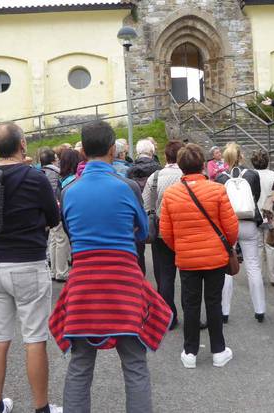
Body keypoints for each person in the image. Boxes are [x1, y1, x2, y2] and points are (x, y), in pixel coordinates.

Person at [50, 121, 172, 413]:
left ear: (83, 151)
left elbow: (69, 231)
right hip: (124, 282)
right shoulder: (127, 187)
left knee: (80, 364)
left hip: (83, 284)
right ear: (112, 150)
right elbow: (143, 232)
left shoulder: (69, 192)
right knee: (134, 363)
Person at [0, 123, 62, 413]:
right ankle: (41, 408)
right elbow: (54, 216)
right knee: (34, 339)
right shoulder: (35, 179)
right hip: (27, 264)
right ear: (22, 143)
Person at [159, 143, 239, 369]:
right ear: (203, 165)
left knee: (190, 303)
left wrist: (181, 247)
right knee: (214, 302)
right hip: (215, 256)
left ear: (180, 166)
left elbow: (166, 232)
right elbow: (231, 227)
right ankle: (218, 350)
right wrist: (226, 245)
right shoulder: (216, 190)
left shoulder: (171, 194)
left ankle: (190, 351)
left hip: (186, 258)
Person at [215, 143, 265, 323]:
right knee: (253, 266)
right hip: (249, 222)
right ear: (241, 156)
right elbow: (256, 197)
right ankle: (259, 309)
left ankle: (224, 311)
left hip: (229, 223)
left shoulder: (220, 178)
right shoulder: (252, 175)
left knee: (227, 267)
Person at [142, 139, 184, 330]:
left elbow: (146, 205)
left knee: (165, 277)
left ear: (166, 156)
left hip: (161, 233)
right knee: (188, 278)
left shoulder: (155, 177)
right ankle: (191, 315)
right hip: (185, 233)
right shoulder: (186, 175)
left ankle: (169, 316)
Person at [127, 138, 162, 274]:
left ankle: (141, 279)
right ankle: (160, 285)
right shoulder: (158, 169)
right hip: (155, 211)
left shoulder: (130, 170)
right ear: (152, 152)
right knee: (158, 252)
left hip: (137, 211)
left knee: (138, 248)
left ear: (137, 152)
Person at [250, 149, 274, 287]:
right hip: (270, 213)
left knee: (257, 247)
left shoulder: (250, 175)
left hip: (255, 214)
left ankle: (258, 276)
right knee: (271, 246)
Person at [40, 147, 68, 282]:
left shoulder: (40, 172)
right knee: (61, 239)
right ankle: (61, 272)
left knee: (53, 240)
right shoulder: (56, 173)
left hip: (45, 210)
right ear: (54, 160)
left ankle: (53, 271)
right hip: (57, 208)